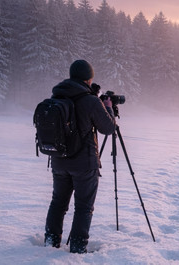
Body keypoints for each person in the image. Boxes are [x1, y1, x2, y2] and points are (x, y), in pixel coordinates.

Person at [44, 60, 116, 253]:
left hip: (59, 160)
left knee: (58, 203)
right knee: (83, 207)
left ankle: (50, 242)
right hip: (84, 164)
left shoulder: (58, 95)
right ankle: (77, 247)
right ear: (88, 78)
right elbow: (108, 128)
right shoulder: (91, 101)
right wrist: (108, 107)